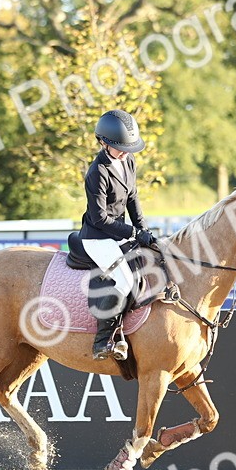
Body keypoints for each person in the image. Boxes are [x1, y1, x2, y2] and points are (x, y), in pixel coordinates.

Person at [79, 109, 158, 360]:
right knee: (124, 281)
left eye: (128, 147)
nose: (124, 152)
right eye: (118, 147)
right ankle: (103, 341)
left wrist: (143, 229)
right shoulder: (97, 172)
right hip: (98, 237)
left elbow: (133, 198)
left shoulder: (128, 160)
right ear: (103, 142)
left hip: (119, 231)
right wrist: (133, 232)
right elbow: (100, 218)